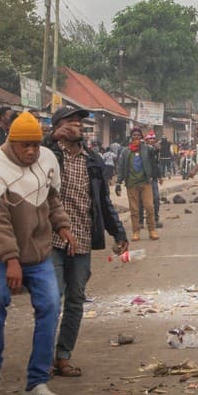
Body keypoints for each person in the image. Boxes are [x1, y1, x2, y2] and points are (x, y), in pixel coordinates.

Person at [0, 111, 75, 395]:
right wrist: (11, 260)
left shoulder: (47, 160)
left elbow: (52, 199)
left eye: (36, 145)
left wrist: (63, 226)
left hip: (37, 252)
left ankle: (37, 381)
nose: (31, 151)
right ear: (12, 142)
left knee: (51, 305)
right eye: (25, 145)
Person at [45, 106, 128, 379]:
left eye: (81, 122)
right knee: (52, 299)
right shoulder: (47, 153)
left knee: (75, 300)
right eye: (72, 122)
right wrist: (51, 137)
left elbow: (102, 200)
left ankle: (63, 356)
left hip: (82, 238)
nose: (79, 126)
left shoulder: (92, 159)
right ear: (58, 126)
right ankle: (43, 358)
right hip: (51, 238)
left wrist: (118, 232)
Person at [115, 127, 159, 240]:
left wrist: (157, 148)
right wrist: (118, 183)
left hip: (145, 183)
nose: (136, 137)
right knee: (134, 210)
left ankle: (152, 230)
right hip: (131, 184)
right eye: (134, 135)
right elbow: (121, 168)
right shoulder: (126, 152)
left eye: (138, 135)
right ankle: (136, 232)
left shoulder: (147, 149)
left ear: (141, 137)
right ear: (131, 137)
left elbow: (154, 154)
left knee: (149, 207)